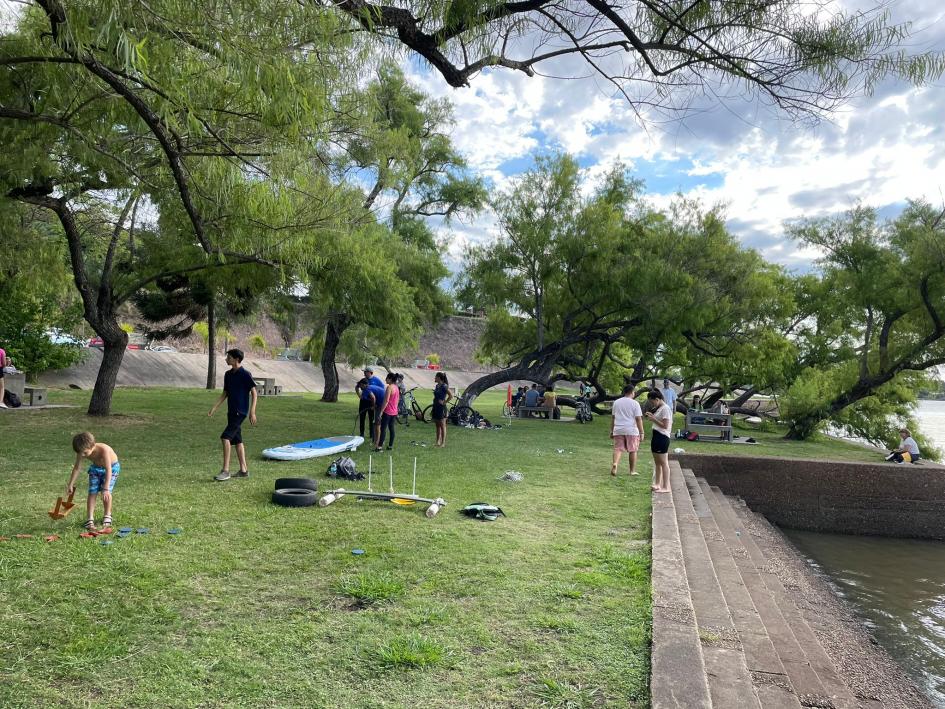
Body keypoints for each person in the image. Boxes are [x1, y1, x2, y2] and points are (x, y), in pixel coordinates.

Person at [209, 348, 258, 481]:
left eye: (229, 357)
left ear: (237, 359)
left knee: (225, 438)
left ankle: (225, 471)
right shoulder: (228, 374)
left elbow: (254, 393)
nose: (226, 359)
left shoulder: (245, 374)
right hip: (231, 412)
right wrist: (214, 407)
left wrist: (252, 412)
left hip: (240, 412)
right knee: (237, 440)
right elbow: (225, 393)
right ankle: (244, 471)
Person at [66, 431, 119, 531]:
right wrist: (71, 484)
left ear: (93, 446)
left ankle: (107, 515)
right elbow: (77, 467)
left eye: (85, 453)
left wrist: (106, 488)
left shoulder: (104, 450)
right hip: (95, 468)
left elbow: (109, 469)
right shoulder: (82, 451)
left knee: (106, 493)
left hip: (112, 468)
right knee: (92, 492)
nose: (83, 455)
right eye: (80, 453)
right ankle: (90, 519)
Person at [610, 385, 644, 476]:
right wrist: (642, 432)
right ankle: (632, 471)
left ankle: (615, 464)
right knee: (633, 450)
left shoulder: (616, 402)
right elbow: (638, 419)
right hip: (631, 430)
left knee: (618, 449)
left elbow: (613, 418)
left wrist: (611, 431)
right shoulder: (635, 403)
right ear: (632, 392)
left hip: (618, 429)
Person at [645, 390, 673, 493]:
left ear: (657, 399)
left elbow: (665, 426)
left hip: (662, 437)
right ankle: (657, 484)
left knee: (664, 463)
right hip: (656, 436)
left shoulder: (666, 408)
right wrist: (652, 416)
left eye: (652, 402)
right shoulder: (659, 408)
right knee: (657, 463)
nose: (652, 404)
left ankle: (666, 487)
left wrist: (653, 419)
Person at [375, 371, 400, 451]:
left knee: (383, 429)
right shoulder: (396, 387)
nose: (385, 380)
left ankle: (379, 447)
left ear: (390, 379)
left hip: (388, 412)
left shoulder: (389, 387)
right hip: (394, 412)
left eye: (386, 378)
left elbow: (386, 401)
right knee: (391, 428)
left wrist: (381, 412)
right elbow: (397, 400)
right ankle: (390, 446)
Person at [431, 371, 452, 448]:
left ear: (439, 378)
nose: (434, 378)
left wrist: (444, 402)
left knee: (443, 426)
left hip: (442, 408)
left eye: (435, 377)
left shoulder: (444, 386)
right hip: (436, 407)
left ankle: (443, 443)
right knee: (437, 425)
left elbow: (451, 395)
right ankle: (437, 442)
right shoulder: (437, 386)